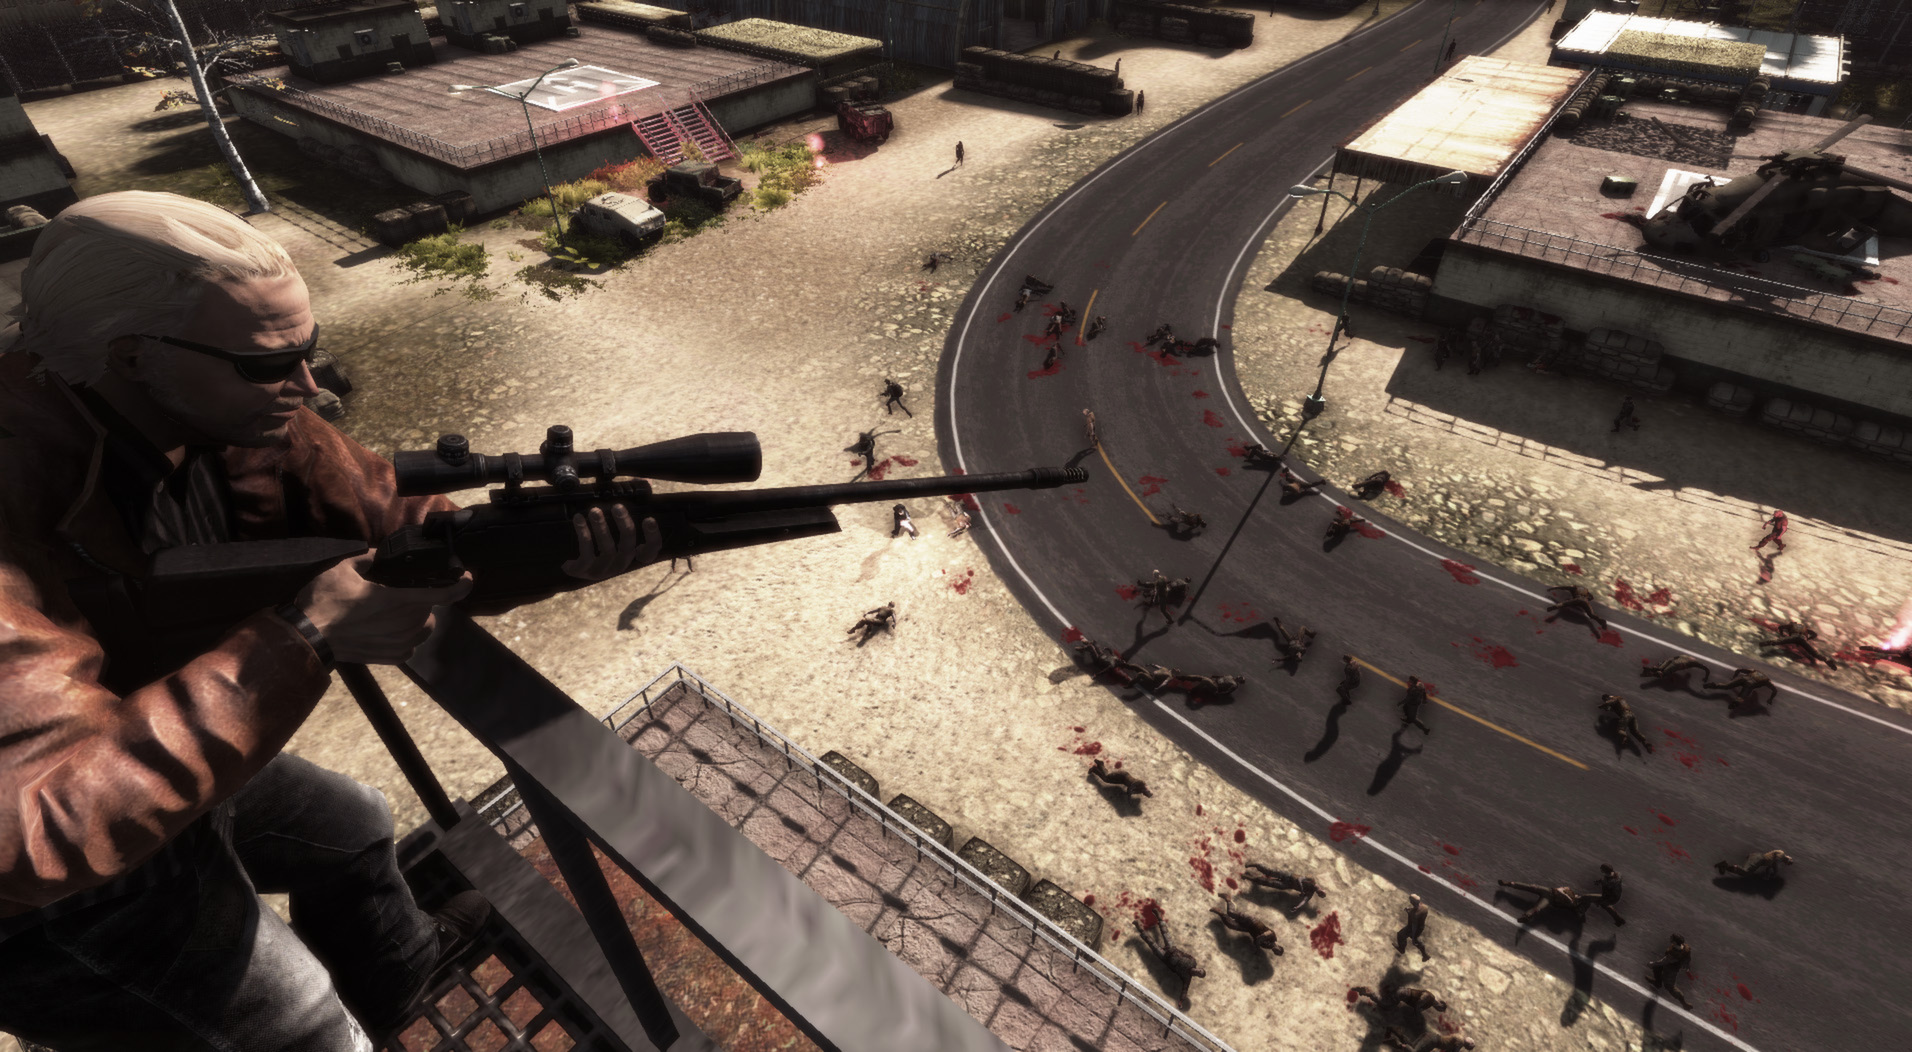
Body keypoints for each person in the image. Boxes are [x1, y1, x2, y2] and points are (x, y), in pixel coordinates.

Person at [0, 192, 656, 1049]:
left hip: (153, 727)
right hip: (42, 899)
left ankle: (397, 978)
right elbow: (37, 825)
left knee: (353, 829)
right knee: (308, 1027)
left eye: (307, 351)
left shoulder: (238, 407)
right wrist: (304, 638)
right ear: (131, 356)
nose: (310, 387)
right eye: (272, 363)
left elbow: (396, 523)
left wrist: (549, 554)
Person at [1208, 895, 1282, 954]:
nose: (1275, 951)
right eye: (1277, 951)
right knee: (1231, 912)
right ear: (1279, 947)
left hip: (1249, 929)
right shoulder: (1273, 937)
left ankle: (1220, 913)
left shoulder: (1266, 946)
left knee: (1231, 924)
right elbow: (1261, 937)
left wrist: (1257, 944)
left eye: (1276, 953)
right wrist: (1258, 944)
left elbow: (1256, 941)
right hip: (1252, 922)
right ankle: (1228, 899)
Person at [1240, 864, 1325, 914]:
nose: (1318, 893)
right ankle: (1253, 865)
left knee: (1267, 882)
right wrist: (1302, 890)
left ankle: (1247, 877)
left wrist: (1297, 907)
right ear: (1321, 890)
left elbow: (1304, 901)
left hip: (1287, 885)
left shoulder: (1310, 893)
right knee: (1269, 872)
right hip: (1288, 876)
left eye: (1319, 894)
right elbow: (1299, 879)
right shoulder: (1311, 879)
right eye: (1320, 893)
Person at [1496, 879, 1590, 923]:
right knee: (1531, 887)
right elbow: (1562, 889)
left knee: (1538, 908)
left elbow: (1559, 900)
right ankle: (1509, 883)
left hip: (1549, 898)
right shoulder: (1571, 895)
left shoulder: (1571, 903)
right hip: (1548, 891)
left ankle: (1527, 916)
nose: (1578, 896)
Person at [1757, 620, 1839, 669]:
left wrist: (1782, 635)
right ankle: (1828, 662)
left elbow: (1781, 627)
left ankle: (1761, 645)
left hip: (1794, 639)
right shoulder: (1805, 629)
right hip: (1802, 640)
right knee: (1815, 654)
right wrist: (1808, 639)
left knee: (1776, 642)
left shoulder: (1791, 626)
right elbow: (1814, 634)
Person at [1644, 934, 1693, 1008]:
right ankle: (1657, 983)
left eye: (1672, 939)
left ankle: (1684, 1003)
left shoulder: (1674, 953)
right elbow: (1687, 959)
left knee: (1670, 987)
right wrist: (1687, 967)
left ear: (1675, 942)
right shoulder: (1684, 948)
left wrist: (1652, 964)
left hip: (1671, 970)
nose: (1671, 939)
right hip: (1671, 966)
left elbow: (1664, 961)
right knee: (1657, 968)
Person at [1544, 584, 1608, 633]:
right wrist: (1586, 598)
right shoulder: (1583, 591)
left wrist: (1551, 590)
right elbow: (1591, 597)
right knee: (1591, 615)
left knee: (1564, 604)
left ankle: (1551, 608)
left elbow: (1562, 588)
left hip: (1579, 602)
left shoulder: (1573, 589)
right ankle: (1601, 623)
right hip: (1582, 602)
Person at [1704, 668, 1775, 708]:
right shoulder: (1767, 681)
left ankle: (1713, 685)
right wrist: (1770, 699)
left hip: (1743, 679)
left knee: (1726, 686)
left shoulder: (1755, 671)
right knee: (1741, 697)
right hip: (1750, 685)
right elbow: (1774, 690)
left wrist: (1734, 677)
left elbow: (1739, 670)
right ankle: (1735, 703)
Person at [1088, 757, 1152, 797]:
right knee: (1107, 777)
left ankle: (1097, 768)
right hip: (1122, 775)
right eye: (1146, 793)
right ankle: (1099, 765)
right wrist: (1130, 792)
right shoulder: (1142, 783)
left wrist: (1130, 793)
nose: (1144, 794)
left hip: (1122, 781)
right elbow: (1131, 787)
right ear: (1147, 790)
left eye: (1145, 794)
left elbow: (1129, 792)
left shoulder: (1140, 790)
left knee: (1106, 779)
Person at [1395, 892, 1431, 960]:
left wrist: (1414, 936)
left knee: (1405, 937)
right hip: (1418, 926)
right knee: (1414, 940)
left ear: (1413, 902)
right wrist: (1410, 910)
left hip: (1413, 927)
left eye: (1411, 901)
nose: (1410, 902)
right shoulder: (1424, 907)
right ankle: (1425, 955)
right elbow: (1416, 909)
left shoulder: (1415, 914)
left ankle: (1402, 949)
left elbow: (1414, 925)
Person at [1715, 849, 1792, 879]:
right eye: (1788, 862)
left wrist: (1772, 873)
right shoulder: (1782, 854)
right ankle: (1725, 865)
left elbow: (1772, 866)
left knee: (1746, 873)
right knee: (1745, 871)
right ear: (1788, 857)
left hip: (1758, 860)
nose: (1786, 863)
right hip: (1759, 858)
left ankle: (1725, 866)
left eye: (1788, 864)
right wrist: (1774, 871)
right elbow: (1776, 861)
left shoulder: (1778, 860)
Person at [1641, 654, 1706, 683]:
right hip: (1675, 665)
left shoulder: (1684, 656)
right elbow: (1706, 669)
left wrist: (1664, 662)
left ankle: (1650, 669)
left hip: (1670, 660)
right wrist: (1706, 677)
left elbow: (1674, 658)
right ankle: (1650, 674)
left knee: (1660, 668)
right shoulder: (1693, 663)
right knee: (1663, 674)